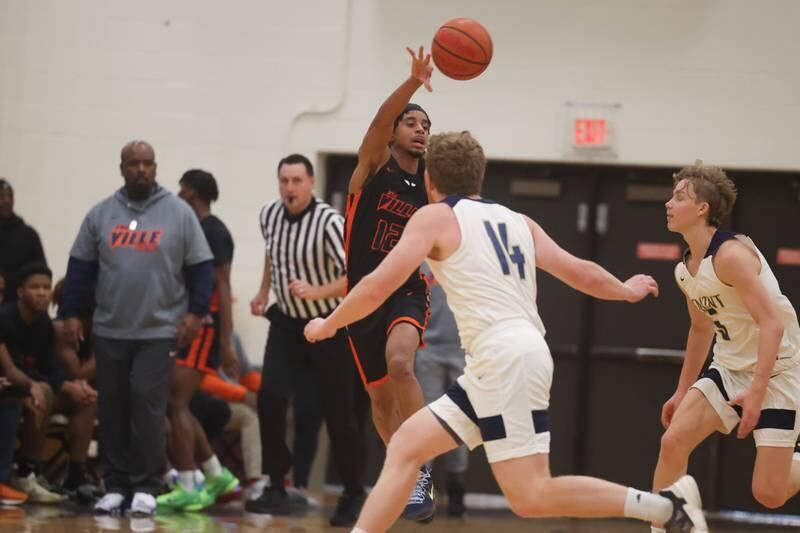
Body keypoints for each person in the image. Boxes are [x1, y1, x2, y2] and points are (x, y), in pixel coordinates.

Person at [305, 130, 707, 533]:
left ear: (429, 179)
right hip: (505, 357)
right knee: (407, 446)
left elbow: (377, 284)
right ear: (479, 176)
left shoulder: (435, 217)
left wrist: (329, 323)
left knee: (531, 494)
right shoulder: (519, 221)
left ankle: (665, 508)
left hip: (504, 357)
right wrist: (624, 289)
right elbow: (578, 270)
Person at [60, 140, 214, 516]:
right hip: (110, 328)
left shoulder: (178, 213)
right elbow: (80, 268)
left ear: (156, 168)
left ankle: (146, 486)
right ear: (122, 169)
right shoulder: (101, 214)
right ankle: (115, 486)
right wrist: (71, 312)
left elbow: (202, 268)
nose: (141, 169)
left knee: (147, 403)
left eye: (147, 163)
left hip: (158, 331)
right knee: (112, 406)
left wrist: (196, 313)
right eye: (134, 163)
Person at [650, 163, 800, 530]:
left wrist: (757, 390)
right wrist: (682, 391)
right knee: (673, 442)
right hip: (730, 368)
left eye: (679, 197)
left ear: (702, 208)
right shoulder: (686, 269)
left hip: (778, 372)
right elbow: (700, 328)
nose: (669, 203)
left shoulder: (732, 255)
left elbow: (773, 324)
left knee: (769, 493)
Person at [246, 153, 365, 526]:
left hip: (328, 324)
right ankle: (276, 484)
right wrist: (263, 291)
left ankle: (353, 492)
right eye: (284, 181)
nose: (290, 188)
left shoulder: (329, 222)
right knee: (269, 397)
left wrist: (316, 291)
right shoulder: (269, 214)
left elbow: (354, 276)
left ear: (311, 182)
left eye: (297, 181)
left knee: (339, 413)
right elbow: (273, 254)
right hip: (286, 322)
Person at [343, 46, 435, 521]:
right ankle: (402, 467)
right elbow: (379, 120)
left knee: (400, 364)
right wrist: (414, 82)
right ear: (394, 132)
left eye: (425, 126)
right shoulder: (373, 168)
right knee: (380, 402)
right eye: (411, 122)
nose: (420, 130)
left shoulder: (431, 189)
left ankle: (421, 471)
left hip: (406, 290)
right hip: (363, 297)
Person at [157, 169, 240, 511]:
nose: (178, 193)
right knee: (175, 403)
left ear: (191, 191)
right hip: (188, 326)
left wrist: (226, 342)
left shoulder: (215, 231)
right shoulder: (192, 227)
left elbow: (223, 285)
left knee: (176, 401)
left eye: (182, 187)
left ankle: (189, 483)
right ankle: (215, 473)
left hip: (205, 328)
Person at [0, 263, 97, 504]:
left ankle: (75, 476)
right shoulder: (6, 319)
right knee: (39, 392)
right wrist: (37, 386)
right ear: (20, 292)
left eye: (46, 287)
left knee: (87, 400)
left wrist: (72, 386)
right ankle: (22, 472)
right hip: (12, 388)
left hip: (25, 387)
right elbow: (13, 369)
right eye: (35, 287)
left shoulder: (43, 323)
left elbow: (49, 368)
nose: (42, 293)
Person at [414, 262, 469, 517]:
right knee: (429, 422)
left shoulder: (473, 256)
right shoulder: (422, 259)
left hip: (465, 350)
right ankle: (423, 493)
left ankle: (456, 487)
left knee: (460, 421)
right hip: (428, 351)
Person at [198, 331, 265, 498]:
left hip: (235, 400)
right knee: (249, 417)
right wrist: (242, 394)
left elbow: (248, 376)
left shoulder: (233, 337)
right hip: (208, 402)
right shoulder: (202, 335)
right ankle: (254, 479)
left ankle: (272, 477)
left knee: (269, 411)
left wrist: (269, 392)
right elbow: (202, 381)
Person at [0, 178, 47, 302]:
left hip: (20, 307)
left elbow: (41, 273)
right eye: (1, 196)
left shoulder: (28, 235)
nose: (6, 200)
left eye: (10, 196)